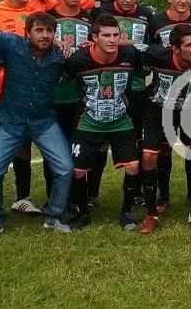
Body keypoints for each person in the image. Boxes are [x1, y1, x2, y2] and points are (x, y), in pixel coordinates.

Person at [0, 0, 94, 217]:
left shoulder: (42, 8)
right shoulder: (1, 22)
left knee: (64, 163)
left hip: (43, 112)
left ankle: (55, 212)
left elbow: (75, 0)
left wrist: (84, 50)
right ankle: (1, 212)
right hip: (9, 100)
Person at [0, 12, 75, 239]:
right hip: (10, 120)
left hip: (43, 120)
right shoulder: (12, 44)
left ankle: (54, 215)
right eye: (39, 30)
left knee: (65, 167)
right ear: (27, 32)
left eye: (49, 31)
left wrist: (68, 50)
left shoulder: (60, 56)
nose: (44, 35)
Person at [139, 24, 191, 233]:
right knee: (149, 156)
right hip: (158, 109)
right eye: (189, 45)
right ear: (175, 49)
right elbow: (132, 48)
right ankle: (151, 213)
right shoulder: (158, 56)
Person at [64, 14, 142, 231]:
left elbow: (144, 70)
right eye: (106, 35)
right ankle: (82, 211)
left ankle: (127, 212)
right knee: (78, 170)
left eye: (116, 35)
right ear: (94, 38)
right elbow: (64, 77)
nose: (112, 40)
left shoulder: (130, 54)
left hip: (121, 119)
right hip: (88, 120)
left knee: (134, 166)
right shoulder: (78, 59)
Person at [44, 0, 95, 201]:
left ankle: (80, 199)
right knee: (52, 151)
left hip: (79, 96)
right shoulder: (46, 18)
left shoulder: (89, 19)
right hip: (52, 96)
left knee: (80, 149)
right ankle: (53, 197)